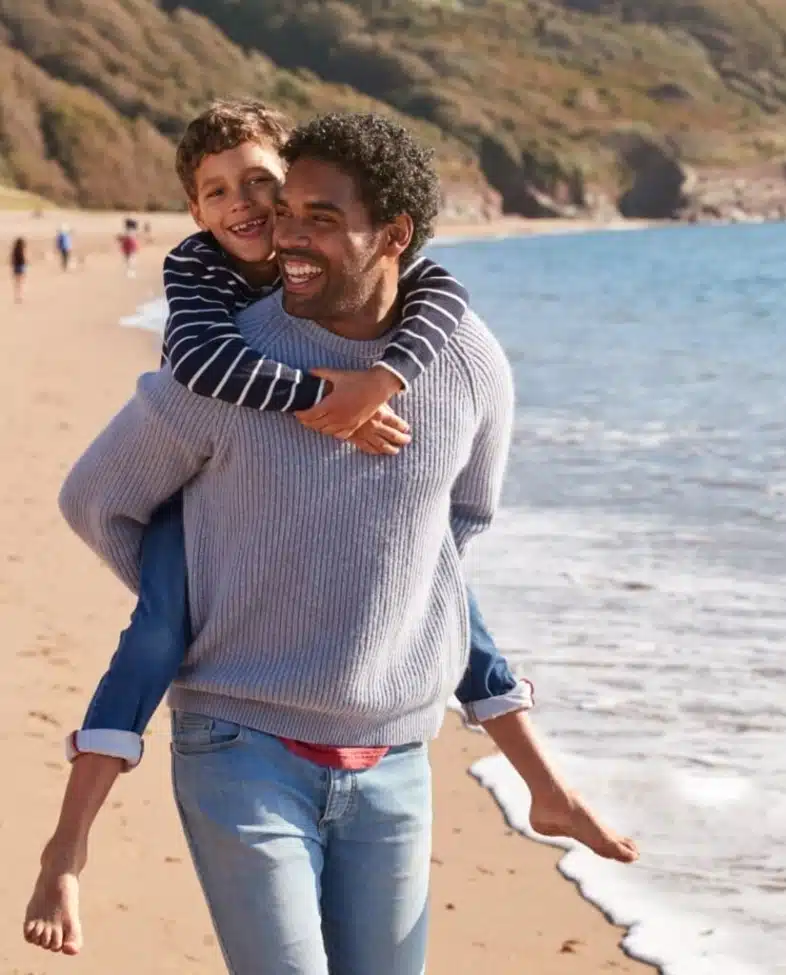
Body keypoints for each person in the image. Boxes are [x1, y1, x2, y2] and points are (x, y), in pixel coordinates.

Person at [24, 109, 637, 964]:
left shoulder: (465, 360)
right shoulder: (224, 356)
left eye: (317, 215)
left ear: (394, 235)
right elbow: (97, 498)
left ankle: (545, 780)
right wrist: (212, 592)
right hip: (240, 741)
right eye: (285, 213)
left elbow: (459, 524)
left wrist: (386, 595)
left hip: (396, 751)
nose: (285, 233)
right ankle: (67, 846)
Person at [11, 237, 26, 303]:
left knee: (17, 283)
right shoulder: (20, 251)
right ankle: (19, 297)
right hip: (20, 268)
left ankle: (17, 297)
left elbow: (12, 260)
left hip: (15, 268)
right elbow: (23, 260)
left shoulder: (14, 251)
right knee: (20, 283)